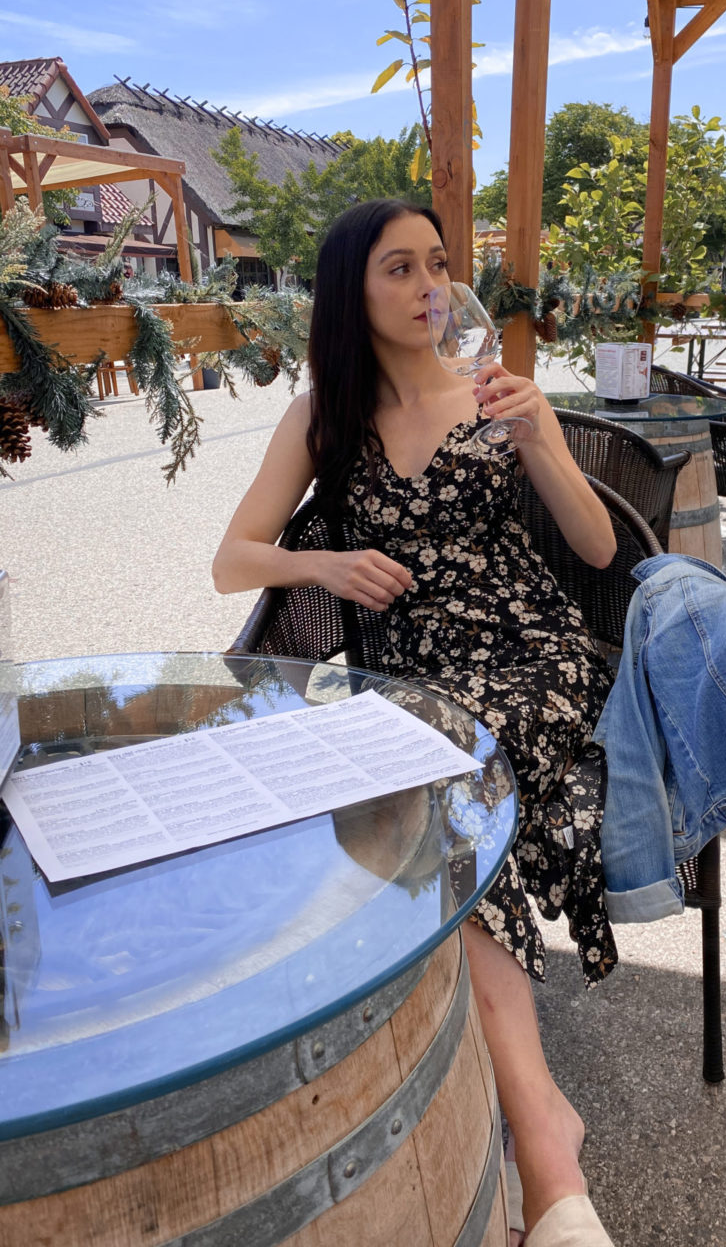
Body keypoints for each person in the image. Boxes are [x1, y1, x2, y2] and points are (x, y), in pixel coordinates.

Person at [213, 199, 619, 1247]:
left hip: (529, 652)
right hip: (408, 676)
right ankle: (546, 1129)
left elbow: (596, 547)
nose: (429, 286)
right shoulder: (322, 418)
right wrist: (323, 561)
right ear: (353, 292)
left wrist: (544, 442)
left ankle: (539, 1142)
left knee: (441, 801)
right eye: (400, 269)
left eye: (438, 265)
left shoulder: (496, 394)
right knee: (436, 792)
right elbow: (233, 561)